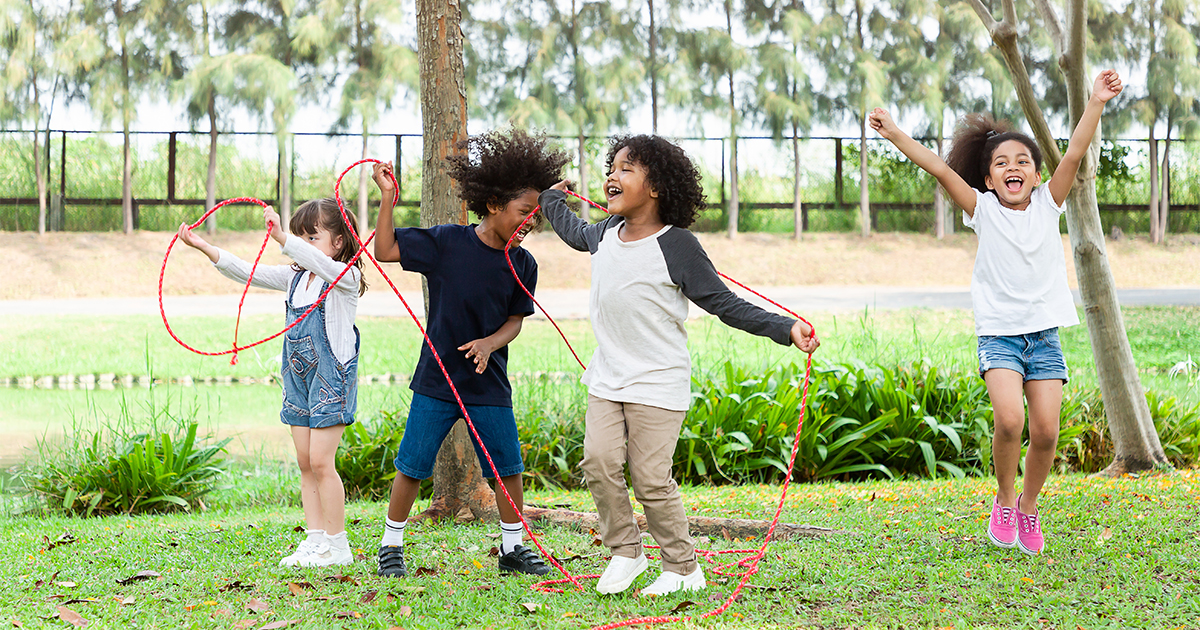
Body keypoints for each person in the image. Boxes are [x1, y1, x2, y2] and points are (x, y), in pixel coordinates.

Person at [538, 134, 819, 596]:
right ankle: (626, 553)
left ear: (656, 188)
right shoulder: (606, 232)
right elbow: (572, 231)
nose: (613, 176)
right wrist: (551, 199)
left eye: (627, 169)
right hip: (608, 377)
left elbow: (725, 304)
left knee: (650, 479)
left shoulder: (678, 245)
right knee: (598, 461)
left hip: (658, 381)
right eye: (613, 168)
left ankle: (683, 567)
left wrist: (783, 328)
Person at [868, 70, 1123, 555]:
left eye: (1023, 161)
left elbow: (1073, 152)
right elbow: (940, 171)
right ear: (988, 178)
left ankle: (1028, 505)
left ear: (1035, 173)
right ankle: (1004, 499)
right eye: (1002, 162)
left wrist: (1095, 101)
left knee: (1046, 431)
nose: (1013, 167)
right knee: (1009, 421)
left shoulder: (1050, 204)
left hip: (1044, 337)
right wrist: (897, 133)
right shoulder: (982, 209)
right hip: (1000, 337)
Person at [371, 128, 571, 578]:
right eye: (524, 212)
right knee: (412, 464)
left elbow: (516, 320)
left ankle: (512, 550)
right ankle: (391, 545)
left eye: (536, 216)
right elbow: (385, 249)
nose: (530, 224)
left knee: (508, 468)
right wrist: (387, 197)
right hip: (437, 382)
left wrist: (489, 343)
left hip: (488, 384)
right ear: (495, 205)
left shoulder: (524, 264)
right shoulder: (447, 243)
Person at [177, 199, 367, 567]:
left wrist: (282, 237)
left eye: (313, 237)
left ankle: (338, 545)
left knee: (321, 460)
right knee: (304, 462)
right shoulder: (296, 279)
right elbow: (248, 272)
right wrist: (204, 248)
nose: (303, 245)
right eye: (301, 237)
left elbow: (323, 265)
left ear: (340, 242)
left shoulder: (345, 279)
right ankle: (315, 541)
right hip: (298, 378)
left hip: (332, 379)